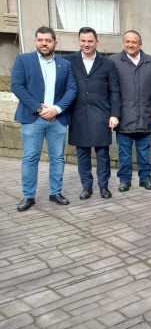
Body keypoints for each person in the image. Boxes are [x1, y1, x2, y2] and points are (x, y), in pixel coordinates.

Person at [11, 26, 78, 211]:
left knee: (57, 157)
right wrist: (40, 108)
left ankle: (55, 192)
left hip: (57, 119)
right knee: (31, 157)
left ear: (55, 43)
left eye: (48, 40)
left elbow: (72, 89)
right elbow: (17, 86)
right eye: (40, 39)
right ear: (35, 41)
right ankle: (28, 196)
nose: (44, 43)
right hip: (33, 118)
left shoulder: (65, 64)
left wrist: (56, 109)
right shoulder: (23, 60)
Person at [64, 27, 120, 200]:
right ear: (79, 41)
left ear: (97, 42)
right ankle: (86, 186)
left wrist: (114, 114)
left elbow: (115, 91)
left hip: (101, 114)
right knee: (82, 154)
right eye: (83, 41)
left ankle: (103, 186)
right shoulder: (68, 61)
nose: (86, 44)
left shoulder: (108, 63)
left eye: (90, 41)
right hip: (78, 115)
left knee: (103, 154)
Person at [109, 30, 151, 192]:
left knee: (144, 151)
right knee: (124, 153)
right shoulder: (113, 61)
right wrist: (113, 113)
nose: (130, 45)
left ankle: (145, 179)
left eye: (134, 42)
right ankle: (125, 180)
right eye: (127, 41)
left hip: (144, 114)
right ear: (123, 42)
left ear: (140, 44)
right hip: (123, 115)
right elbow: (110, 89)